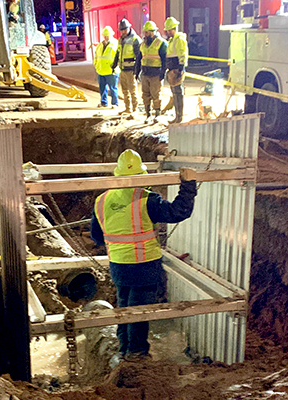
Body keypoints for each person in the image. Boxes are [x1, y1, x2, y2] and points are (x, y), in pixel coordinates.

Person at [90, 149, 197, 361]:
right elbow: (178, 211)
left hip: (119, 265)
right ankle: (137, 354)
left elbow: (97, 237)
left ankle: (123, 350)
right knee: (139, 311)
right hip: (145, 265)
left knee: (124, 308)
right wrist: (188, 185)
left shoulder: (101, 200)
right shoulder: (146, 199)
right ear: (141, 175)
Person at [136, 21, 167, 123]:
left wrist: (162, 73)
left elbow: (164, 60)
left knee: (156, 95)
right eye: (145, 32)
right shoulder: (143, 44)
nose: (145, 34)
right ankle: (148, 114)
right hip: (145, 73)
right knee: (145, 94)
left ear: (152, 32)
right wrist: (137, 72)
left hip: (156, 73)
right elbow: (139, 58)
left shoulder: (161, 43)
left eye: (147, 32)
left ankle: (157, 113)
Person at [112, 18, 142, 114]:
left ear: (129, 28)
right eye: (122, 30)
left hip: (131, 69)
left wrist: (137, 71)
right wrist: (114, 64)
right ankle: (128, 108)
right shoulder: (120, 40)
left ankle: (135, 109)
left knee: (132, 90)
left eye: (125, 29)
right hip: (122, 69)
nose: (123, 32)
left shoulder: (135, 39)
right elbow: (118, 53)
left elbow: (139, 56)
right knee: (125, 90)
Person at [164, 17, 188, 124]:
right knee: (175, 93)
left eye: (170, 30)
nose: (168, 32)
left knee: (178, 93)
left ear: (174, 28)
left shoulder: (179, 40)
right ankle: (177, 116)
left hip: (176, 70)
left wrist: (180, 69)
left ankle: (179, 117)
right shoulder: (171, 41)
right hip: (172, 70)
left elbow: (182, 55)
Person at [94, 26, 120, 108]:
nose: (106, 37)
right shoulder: (100, 45)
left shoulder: (116, 44)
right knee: (102, 88)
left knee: (113, 88)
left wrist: (115, 67)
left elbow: (119, 56)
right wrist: (96, 65)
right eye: (105, 36)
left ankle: (115, 103)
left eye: (107, 35)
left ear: (111, 35)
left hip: (111, 70)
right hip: (101, 70)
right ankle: (103, 102)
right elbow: (96, 56)